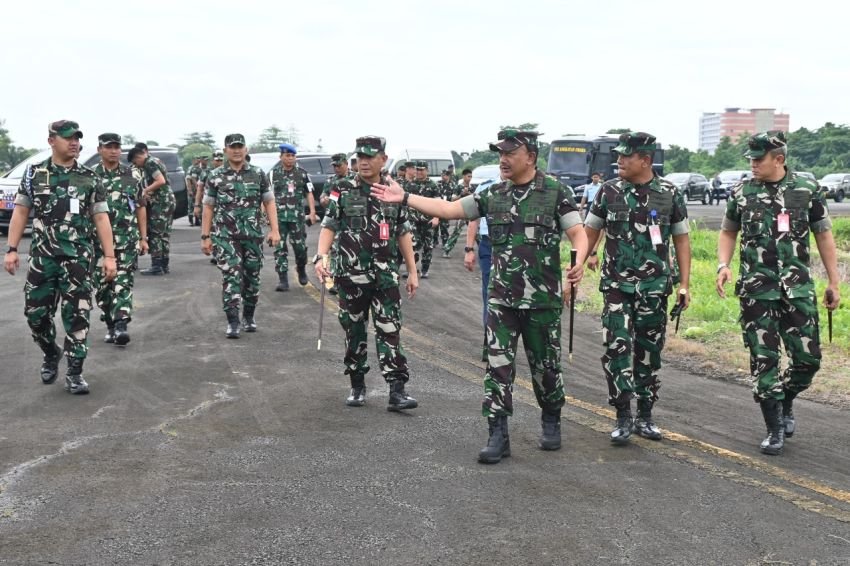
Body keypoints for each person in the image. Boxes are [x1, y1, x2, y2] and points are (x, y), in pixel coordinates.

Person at [372, 129, 588, 464]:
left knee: (545, 368)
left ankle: (551, 416)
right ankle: (497, 433)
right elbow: (448, 209)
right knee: (498, 367)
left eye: (510, 153)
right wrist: (404, 198)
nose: (503, 159)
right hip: (501, 300)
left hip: (542, 301)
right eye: (500, 153)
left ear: (530, 157)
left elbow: (577, 232)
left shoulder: (556, 191)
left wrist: (579, 261)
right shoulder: (492, 194)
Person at [716, 131, 840, 456]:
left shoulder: (807, 189)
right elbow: (728, 232)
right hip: (756, 291)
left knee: (808, 360)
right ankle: (774, 429)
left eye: (759, 159)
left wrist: (834, 281)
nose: (753, 164)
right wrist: (723, 265)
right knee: (764, 360)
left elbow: (824, 236)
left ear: (779, 159)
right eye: (751, 159)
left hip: (797, 289)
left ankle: (785, 399)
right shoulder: (742, 192)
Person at [583, 132, 692, 445]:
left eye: (626, 156)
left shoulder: (669, 193)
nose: (618, 160)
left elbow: (682, 240)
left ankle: (645, 415)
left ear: (645, 160)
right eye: (618, 155)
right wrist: (576, 266)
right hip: (617, 285)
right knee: (616, 347)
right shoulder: (608, 191)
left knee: (649, 351)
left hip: (654, 287)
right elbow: (589, 232)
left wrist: (685, 284)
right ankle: (622, 415)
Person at [3, 120, 117, 394]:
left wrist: (110, 256)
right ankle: (50, 351)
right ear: (51, 140)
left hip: (78, 259)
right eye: (68, 138)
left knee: (77, 315)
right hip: (43, 259)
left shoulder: (89, 177)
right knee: (36, 316)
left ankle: (75, 373)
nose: (74, 143)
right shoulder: (35, 174)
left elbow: (101, 217)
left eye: (77, 138)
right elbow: (21, 211)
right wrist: (12, 249)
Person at [314, 135, 419, 411]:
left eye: (370, 157)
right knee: (354, 331)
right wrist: (321, 256)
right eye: (360, 156)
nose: (363, 162)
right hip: (351, 277)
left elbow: (403, 232)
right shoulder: (342, 188)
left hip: (385, 277)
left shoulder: (393, 190)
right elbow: (329, 225)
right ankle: (357, 384)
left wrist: (412, 271)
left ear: (383, 159)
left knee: (390, 330)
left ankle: (397, 390)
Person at [200, 134, 280, 338]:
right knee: (231, 276)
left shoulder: (258, 174)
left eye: (240, 146)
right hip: (225, 237)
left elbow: (269, 202)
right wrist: (205, 236)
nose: (236, 150)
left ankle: (249, 317)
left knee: (252, 278)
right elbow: (208, 207)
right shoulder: (215, 175)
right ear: (225, 150)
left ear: (246, 149)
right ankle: (233, 321)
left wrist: (274, 230)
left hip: (252, 236)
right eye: (232, 147)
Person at [93, 133, 149, 346]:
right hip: (97, 242)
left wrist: (143, 237)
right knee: (102, 287)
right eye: (109, 147)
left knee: (123, 282)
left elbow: (140, 207)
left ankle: (121, 325)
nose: (113, 151)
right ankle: (110, 323)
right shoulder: (91, 176)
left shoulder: (130, 175)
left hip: (126, 239)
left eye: (117, 147)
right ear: (100, 150)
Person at [268, 143, 317, 291]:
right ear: (281, 157)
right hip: (278, 218)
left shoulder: (302, 174)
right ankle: (283, 279)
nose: (290, 158)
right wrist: (265, 216)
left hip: (297, 218)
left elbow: (309, 193)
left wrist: (312, 211)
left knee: (300, 247)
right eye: (287, 155)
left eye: (292, 156)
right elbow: (267, 196)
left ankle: (301, 269)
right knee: (279, 248)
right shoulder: (273, 174)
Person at [130, 144, 175, 276]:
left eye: (135, 162)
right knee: (164, 234)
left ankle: (156, 265)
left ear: (138, 157)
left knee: (156, 233)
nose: (137, 166)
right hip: (167, 200)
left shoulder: (150, 163)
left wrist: (145, 190)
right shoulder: (156, 160)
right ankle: (164, 264)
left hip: (160, 202)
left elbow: (160, 181)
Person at [408, 160, 440, 278]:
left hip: (428, 221)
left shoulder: (433, 185)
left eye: (422, 170)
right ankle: (412, 269)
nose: (419, 172)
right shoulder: (410, 185)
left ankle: (425, 269)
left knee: (428, 246)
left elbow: (438, 203)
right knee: (412, 244)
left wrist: (436, 217)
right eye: (417, 170)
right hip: (413, 220)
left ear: (427, 170)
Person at [442, 167, 474, 257]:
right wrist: (462, 194)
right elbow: (453, 199)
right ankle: (446, 250)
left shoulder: (472, 187)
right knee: (456, 232)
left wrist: (469, 194)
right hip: (462, 212)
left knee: (476, 233)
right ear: (464, 176)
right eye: (468, 176)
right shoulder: (458, 187)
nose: (469, 178)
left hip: (471, 213)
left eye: (471, 176)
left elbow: (476, 197)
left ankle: (485, 252)